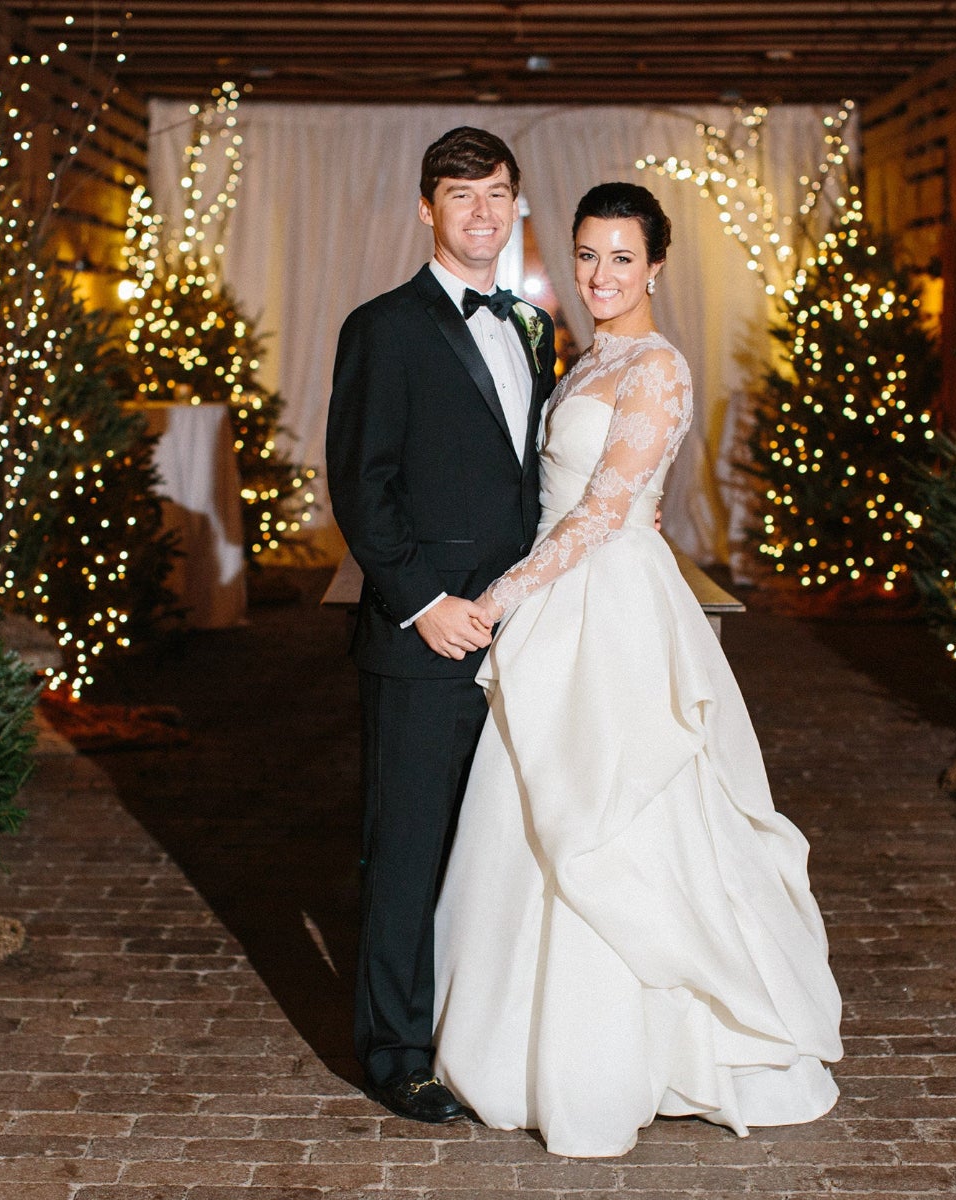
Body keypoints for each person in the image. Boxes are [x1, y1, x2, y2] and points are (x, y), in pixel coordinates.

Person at [433, 182, 844, 1158]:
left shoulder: (656, 366)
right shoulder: (588, 359)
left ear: (656, 265)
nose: (601, 275)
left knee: (615, 806)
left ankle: (625, 1057)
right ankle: (521, 1046)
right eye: (587, 255)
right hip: (569, 594)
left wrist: (501, 598)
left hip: (607, 607)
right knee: (537, 810)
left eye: (622, 258)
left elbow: (599, 513)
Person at [324, 127, 558, 1123]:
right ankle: (395, 1053)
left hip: (525, 633)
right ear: (428, 207)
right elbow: (362, 484)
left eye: (497, 193)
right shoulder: (383, 327)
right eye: (460, 195)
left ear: (515, 206)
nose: (481, 212)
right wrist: (424, 604)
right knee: (408, 850)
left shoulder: (534, 328)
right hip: (426, 638)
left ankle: (477, 1030)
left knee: (498, 845)